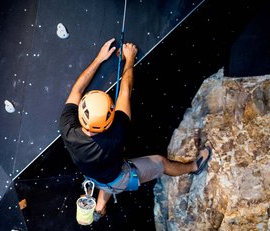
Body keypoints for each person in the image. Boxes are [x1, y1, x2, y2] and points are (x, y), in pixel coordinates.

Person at [59, 38, 212, 222]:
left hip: (95, 173)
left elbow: (77, 90)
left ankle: (100, 208)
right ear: (109, 120)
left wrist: (99, 59)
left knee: (104, 180)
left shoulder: (68, 129)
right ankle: (194, 167)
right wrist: (129, 58)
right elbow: (125, 89)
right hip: (117, 176)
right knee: (160, 163)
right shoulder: (117, 133)